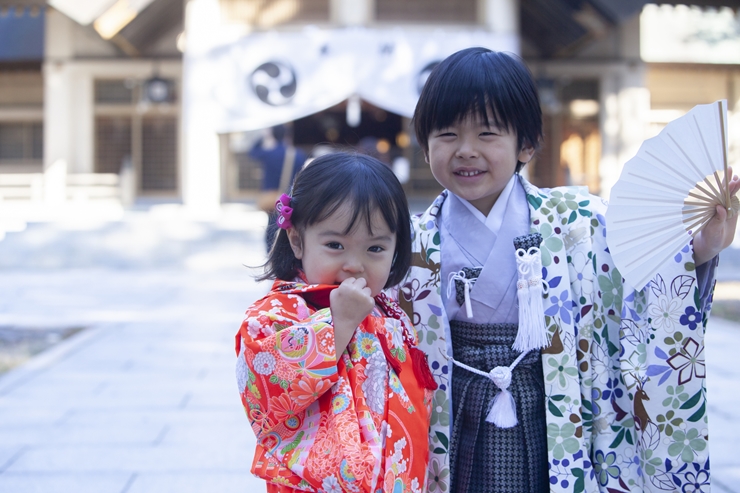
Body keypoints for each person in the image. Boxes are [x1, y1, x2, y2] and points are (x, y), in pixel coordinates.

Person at [398, 47, 740, 492]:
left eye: (486, 134)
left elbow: (638, 279)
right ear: (425, 145)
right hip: (451, 411)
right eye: (446, 134)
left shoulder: (576, 218)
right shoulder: (409, 241)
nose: (466, 151)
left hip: (553, 409)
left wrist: (700, 248)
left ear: (525, 143)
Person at [235, 153, 436, 493]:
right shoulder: (278, 313)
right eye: (335, 245)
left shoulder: (389, 314)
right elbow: (264, 385)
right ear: (297, 240)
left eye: (375, 248)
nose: (354, 265)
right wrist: (337, 324)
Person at [250, 124, 307, 251]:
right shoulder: (298, 154)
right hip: (289, 196)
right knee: (288, 226)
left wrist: (264, 136)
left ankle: (271, 254)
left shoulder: (268, 154)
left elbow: (252, 151)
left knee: (271, 226)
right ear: (287, 136)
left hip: (271, 198)